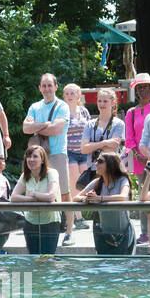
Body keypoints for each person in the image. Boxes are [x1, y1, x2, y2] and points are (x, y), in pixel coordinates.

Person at [22, 74, 72, 242]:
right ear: (39, 88)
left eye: (50, 85)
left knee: (64, 193)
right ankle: (44, 227)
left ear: (56, 87)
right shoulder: (34, 107)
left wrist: (37, 127)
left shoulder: (62, 106)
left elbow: (56, 130)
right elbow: (25, 128)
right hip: (37, 156)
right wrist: (45, 125)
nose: (47, 89)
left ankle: (69, 231)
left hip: (57, 153)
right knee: (39, 191)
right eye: (44, 85)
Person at [124, 74, 150, 245]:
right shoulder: (131, 113)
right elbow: (129, 138)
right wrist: (139, 155)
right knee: (144, 195)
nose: (142, 90)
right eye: (139, 88)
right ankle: (145, 232)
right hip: (140, 160)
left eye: (145, 87)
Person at [79, 151, 135, 255]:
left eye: (100, 161)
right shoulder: (97, 182)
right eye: (96, 161)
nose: (96, 164)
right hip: (104, 235)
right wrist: (85, 199)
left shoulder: (122, 180)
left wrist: (99, 198)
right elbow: (76, 197)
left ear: (110, 165)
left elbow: (123, 197)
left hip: (124, 234)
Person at [9, 144, 62, 255]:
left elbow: (51, 196)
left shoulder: (51, 173)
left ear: (42, 160)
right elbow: (13, 197)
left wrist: (33, 194)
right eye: (28, 156)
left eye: (35, 156)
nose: (31, 159)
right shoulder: (25, 175)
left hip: (50, 222)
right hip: (30, 222)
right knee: (33, 258)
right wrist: (34, 198)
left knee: (47, 259)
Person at [62, 83, 94, 232]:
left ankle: (84, 210)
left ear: (78, 95)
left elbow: (89, 130)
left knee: (85, 183)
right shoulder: (62, 112)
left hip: (84, 152)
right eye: (67, 93)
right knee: (74, 184)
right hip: (70, 152)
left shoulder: (84, 111)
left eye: (72, 93)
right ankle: (78, 217)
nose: (69, 96)